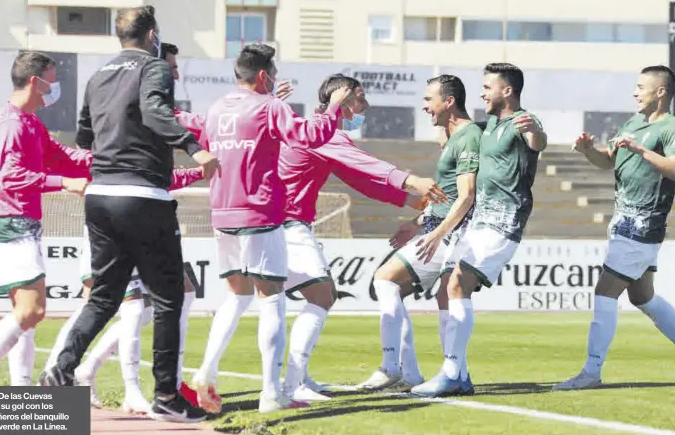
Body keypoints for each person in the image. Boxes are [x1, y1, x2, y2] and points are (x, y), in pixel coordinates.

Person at [188, 73, 447, 406]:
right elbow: (365, 166)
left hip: (263, 221)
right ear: (344, 98)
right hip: (286, 224)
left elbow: (356, 177)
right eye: (361, 98)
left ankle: (248, 375)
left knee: (243, 298)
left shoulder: (318, 132)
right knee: (320, 295)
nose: (366, 106)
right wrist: (411, 181)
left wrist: (407, 201)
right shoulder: (324, 133)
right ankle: (291, 384)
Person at [39, 6, 219, 425]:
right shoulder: (153, 67)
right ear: (152, 34)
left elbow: (85, 134)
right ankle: (168, 397)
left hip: (101, 195)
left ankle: (60, 369)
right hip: (142, 196)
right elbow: (157, 112)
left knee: (104, 297)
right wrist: (196, 148)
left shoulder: (97, 76)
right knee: (169, 297)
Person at [186, 43, 353, 413]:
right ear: (264, 76)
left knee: (237, 296)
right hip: (260, 214)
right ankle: (270, 394)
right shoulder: (269, 106)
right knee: (272, 299)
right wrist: (333, 107)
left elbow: (197, 129)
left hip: (222, 214)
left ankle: (207, 371)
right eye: (273, 74)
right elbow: (308, 136)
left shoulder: (217, 108)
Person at [555, 65, 675, 390]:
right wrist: (588, 150)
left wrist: (642, 151)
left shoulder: (671, 128)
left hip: (642, 226)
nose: (634, 92)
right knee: (643, 296)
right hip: (624, 223)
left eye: (641, 87)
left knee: (604, 291)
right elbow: (609, 160)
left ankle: (591, 371)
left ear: (660, 92)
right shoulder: (632, 123)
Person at [412, 63, 547, 397]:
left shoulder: (521, 121)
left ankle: (452, 374)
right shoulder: (487, 127)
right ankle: (458, 373)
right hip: (479, 221)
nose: (483, 92)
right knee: (448, 288)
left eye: (488, 87)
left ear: (507, 91)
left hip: (503, 220)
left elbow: (538, 141)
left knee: (457, 283)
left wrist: (536, 131)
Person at [0, 51, 91, 387]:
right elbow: (11, 176)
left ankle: (20, 389)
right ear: (36, 81)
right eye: (53, 78)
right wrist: (63, 183)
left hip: (19, 223)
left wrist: (104, 160)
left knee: (25, 316)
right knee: (32, 311)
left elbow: (59, 156)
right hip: (10, 223)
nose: (56, 86)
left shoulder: (29, 122)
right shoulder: (10, 124)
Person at [357, 74, 482, 393]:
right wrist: (418, 221)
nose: (425, 106)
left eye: (429, 99)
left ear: (449, 101)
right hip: (437, 228)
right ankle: (408, 372)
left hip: (457, 232)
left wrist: (438, 232)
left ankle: (451, 374)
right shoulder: (450, 137)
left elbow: (468, 196)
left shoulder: (468, 136)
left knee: (445, 295)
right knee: (387, 280)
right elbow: (449, 193)